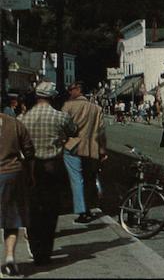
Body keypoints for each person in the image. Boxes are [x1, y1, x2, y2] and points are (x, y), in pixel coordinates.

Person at [19, 81, 78, 265]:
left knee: (33, 208)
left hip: (31, 167)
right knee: (51, 210)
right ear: (53, 97)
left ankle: (36, 251)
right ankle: (45, 252)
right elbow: (73, 131)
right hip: (53, 166)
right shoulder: (60, 117)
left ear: (37, 97)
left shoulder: (23, 119)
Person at [61, 81, 108, 224]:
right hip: (91, 147)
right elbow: (101, 132)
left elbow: (62, 127)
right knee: (89, 179)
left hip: (72, 147)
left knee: (76, 179)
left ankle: (83, 212)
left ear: (78, 90)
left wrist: (62, 142)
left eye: (71, 89)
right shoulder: (96, 109)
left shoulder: (68, 106)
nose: (69, 92)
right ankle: (89, 206)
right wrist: (102, 150)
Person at [0, 99, 35, 276]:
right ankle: (9, 259)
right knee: (11, 219)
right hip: (12, 174)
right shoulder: (14, 123)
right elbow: (29, 150)